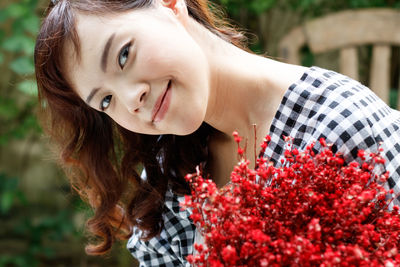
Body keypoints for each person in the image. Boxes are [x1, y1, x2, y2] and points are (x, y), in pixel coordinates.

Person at [34, 0, 400, 265]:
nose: (131, 100)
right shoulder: (168, 171)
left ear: (169, 4)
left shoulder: (337, 127)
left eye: (124, 55)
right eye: (106, 100)